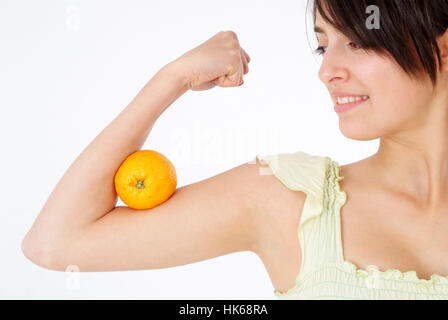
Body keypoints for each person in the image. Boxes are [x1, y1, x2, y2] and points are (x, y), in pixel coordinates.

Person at [22, 0, 448, 299]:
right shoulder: (288, 198)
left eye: (357, 41)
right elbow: (56, 242)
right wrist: (172, 79)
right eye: (323, 45)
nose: (327, 71)